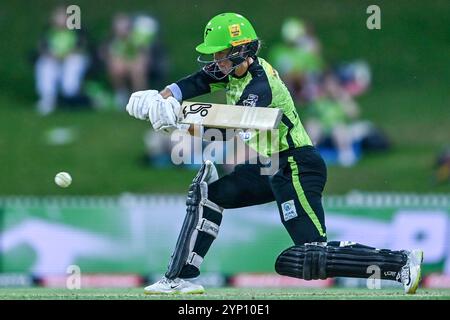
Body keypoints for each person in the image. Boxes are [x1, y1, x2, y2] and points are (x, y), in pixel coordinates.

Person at [125, 13, 423, 295]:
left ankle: (400, 263)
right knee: (209, 194)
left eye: (220, 54)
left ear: (242, 50)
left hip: (297, 165)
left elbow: (228, 126)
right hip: (270, 166)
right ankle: (179, 279)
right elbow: (197, 81)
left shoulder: (260, 84)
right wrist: (160, 97)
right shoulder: (232, 71)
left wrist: (178, 123)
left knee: (312, 255)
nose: (216, 60)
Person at [34, 6, 90, 115]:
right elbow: (41, 48)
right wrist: (51, 55)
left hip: (71, 59)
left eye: (63, 16)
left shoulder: (77, 31)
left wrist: (68, 54)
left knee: (74, 63)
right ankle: (48, 98)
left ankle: (70, 95)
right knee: (45, 65)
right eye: (58, 16)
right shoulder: (48, 32)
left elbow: (82, 47)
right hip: (54, 60)